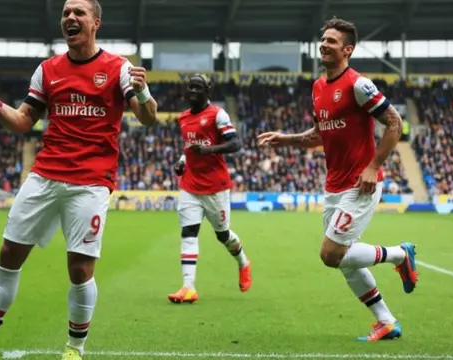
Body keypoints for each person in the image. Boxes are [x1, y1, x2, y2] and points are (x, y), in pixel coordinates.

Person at [0, 0, 158, 359]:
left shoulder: (117, 68)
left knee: (80, 268)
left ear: (95, 23)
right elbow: (24, 120)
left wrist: (144, 91)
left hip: (90, 180)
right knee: (9, 252)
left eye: (79, 13)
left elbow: (148, 118)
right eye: (66, 13)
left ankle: (74, 349)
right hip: (45, 174)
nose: (70, 18)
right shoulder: (48, 69)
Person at [257, 17, 418, 342]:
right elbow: (320, 134)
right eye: (324, 39)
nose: (324, 45)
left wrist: (373, 166)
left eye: (332, 41)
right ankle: (386, 322)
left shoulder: (358, 84)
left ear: (348, 49)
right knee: (345, 262)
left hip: (361, 183)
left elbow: (395, 123)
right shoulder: (318, 87)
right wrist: (286, 139)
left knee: (331, 255)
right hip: (334, 185)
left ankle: (400, 254)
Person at [167, 74, 252, 304]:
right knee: (188, 233)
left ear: (208, 91)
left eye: (198, 87)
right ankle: (188, 287)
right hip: (190, 186)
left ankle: (243, 262)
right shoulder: (183, 118)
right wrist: (182, 163)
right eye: (190, 87)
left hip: (215, 187)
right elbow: (188, 150)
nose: (193, 91)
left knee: (223, 235)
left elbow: (236, 143)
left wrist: (208, 150)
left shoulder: (217, 114)